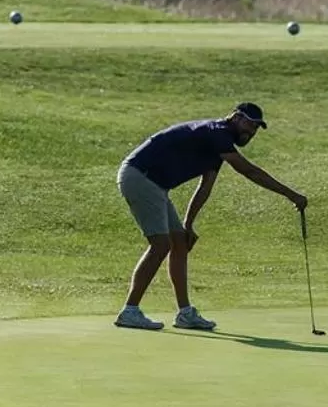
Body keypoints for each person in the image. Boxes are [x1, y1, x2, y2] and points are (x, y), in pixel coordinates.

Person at [113, 101, 307, 332]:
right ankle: (130, 311)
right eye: (249, 124)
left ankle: (185, 313)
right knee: (161, 244)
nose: (251, 131)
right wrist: (291, 195)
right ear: (235, 117)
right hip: (140, 176)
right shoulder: (218, 133)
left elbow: (206, 186)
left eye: (256, 128)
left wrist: (188, 224)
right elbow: (249, 171)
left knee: (179, 242)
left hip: (155, 184)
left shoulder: (218, 145)